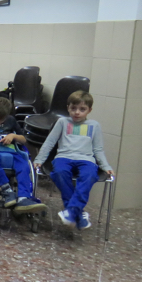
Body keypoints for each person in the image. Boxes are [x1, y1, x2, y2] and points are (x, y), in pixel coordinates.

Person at [33, 91, 113, 230]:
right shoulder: (62, 122)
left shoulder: (94, 125)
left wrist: (105, 166)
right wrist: (40, 159)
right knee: (59, 173)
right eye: (73, 108)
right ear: (68, 107)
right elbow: (49, 142)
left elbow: (98, 149)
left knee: (89, 176)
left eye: (82, 109)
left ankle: (71, 211)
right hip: (64, 157)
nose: (77, 112)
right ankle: (77, 213)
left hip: (86, 159)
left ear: (89, 110)